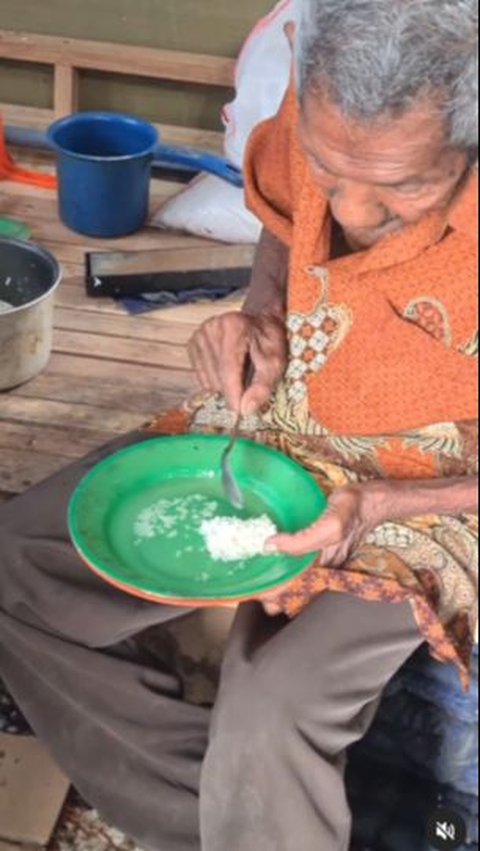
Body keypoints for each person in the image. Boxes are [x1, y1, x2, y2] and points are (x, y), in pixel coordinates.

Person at [0, 1, 478, 849]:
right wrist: (259, 317)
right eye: (336, 173)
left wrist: (374, 506)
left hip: (438, 488)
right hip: (290, 407)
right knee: (20, 563)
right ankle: (212, 823)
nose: (357, 216)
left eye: (406, 188)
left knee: (272, 708)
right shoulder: (322, 100)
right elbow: (287, 221)